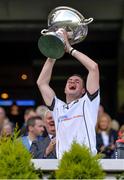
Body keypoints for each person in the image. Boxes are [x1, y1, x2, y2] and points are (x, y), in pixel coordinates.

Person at [37, 29, 100, 159]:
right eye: (69, 81)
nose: (72, 82)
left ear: (83, 91)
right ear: (65, 89)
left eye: (77, 81)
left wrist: (70, 49)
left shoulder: (88, 103)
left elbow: (93, 68)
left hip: (86, 162)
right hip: (63, 165)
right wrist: (55, 50)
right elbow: (41, 83)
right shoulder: (58, 107)